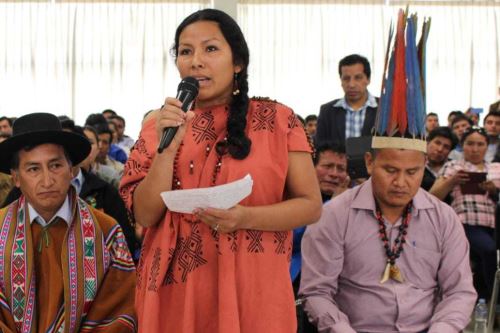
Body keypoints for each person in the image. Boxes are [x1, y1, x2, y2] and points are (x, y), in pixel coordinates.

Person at [119, 9, 321, 333]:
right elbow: (144, 214)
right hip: (175, 289)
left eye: (210, 49)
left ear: (237, 62)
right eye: (186, 51)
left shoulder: (280, 120)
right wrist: (167, 149)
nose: (196, 60)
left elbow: (311, 206)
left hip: (252, 283)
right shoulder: (159, 123)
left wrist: (245, 218)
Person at [300, 12, 476, 332]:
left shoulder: (443, 218)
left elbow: (459, 292)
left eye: (412, 172)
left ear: (424, 167)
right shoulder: (334, 216)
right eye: (390, 169)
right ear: (369, 163)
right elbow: (317, 292)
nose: (401, 182)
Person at [0, 113, 136, 332]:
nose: (47, 180)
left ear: (72, 170)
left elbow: (119, 314)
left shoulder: (106, 231)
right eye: (33, 169)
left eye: (55, 165)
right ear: (16, 178)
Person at [430, 126, 500, 300]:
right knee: (489, 250)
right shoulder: (454, 166)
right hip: (465, 222)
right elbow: (433, 196)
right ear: (462, 145)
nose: (475, 149)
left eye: (480, 144)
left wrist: (494, 190)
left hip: (495, 223)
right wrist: (453, 181)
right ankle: (495, 301)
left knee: (488, 251)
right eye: (470, 144)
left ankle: (484, 297)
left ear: (487, 146)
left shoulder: (496, 168)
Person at [315, 54, 378, 145]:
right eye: (346, 78)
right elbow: (320, 147)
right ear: (341, 80)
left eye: (358, 78)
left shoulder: (384, 110)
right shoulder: (327, 111)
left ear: (368, 79)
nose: (351, 84)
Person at [421, 126, 458, 191]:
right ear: (428, 142)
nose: (440, 149)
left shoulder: (454, 168)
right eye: (437, 143)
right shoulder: (416, 164)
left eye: (446, 147)